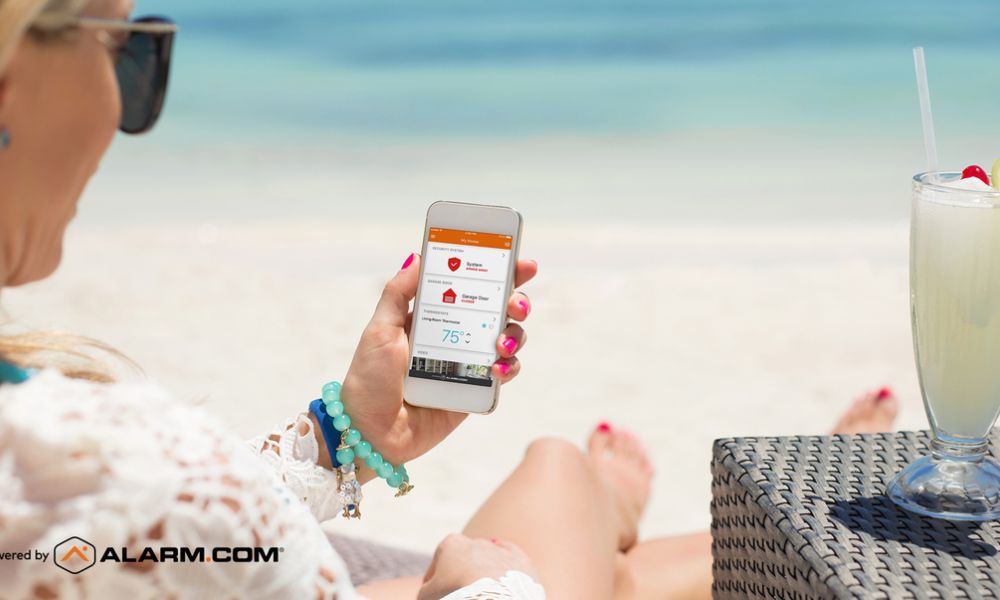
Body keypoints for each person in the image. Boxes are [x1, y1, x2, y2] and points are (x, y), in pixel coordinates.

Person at [0, 1, 902, 598]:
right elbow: (156, 525)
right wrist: (479, 589)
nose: (125, 108)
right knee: (556, 474)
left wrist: (344, 433)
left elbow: (149, 549)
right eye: (127, 51)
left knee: (570, 505)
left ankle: (682, 536)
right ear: (9, 76)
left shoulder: (65, 476)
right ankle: (754, 531)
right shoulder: (93, 462)